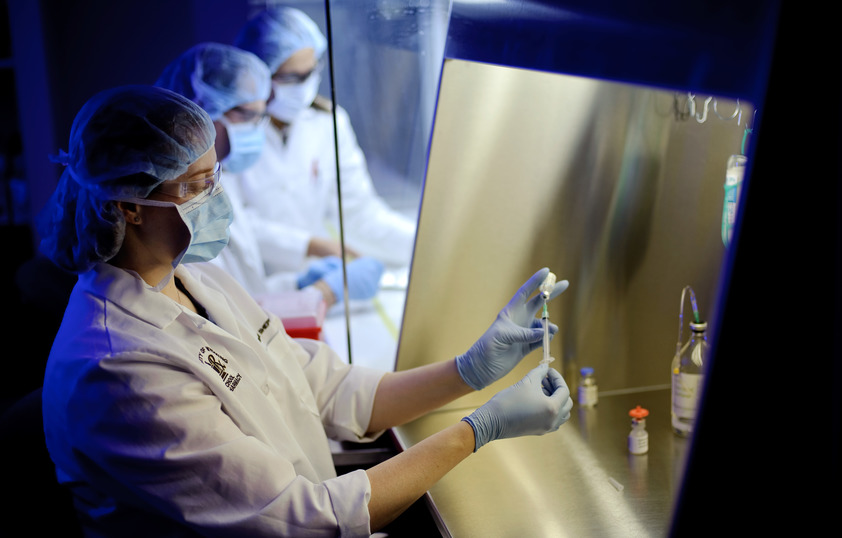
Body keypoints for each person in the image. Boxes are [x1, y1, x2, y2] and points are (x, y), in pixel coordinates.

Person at [38, 84, 572, 536]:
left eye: (215, 178)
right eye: (197, 187)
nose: (218, 200)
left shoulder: (194, 280)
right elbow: (302, 520)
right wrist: (477, 430)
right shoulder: (117, 368)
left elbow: (326, 388)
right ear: (128, 205)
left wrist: (470, 370)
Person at [156, 41, 382, 307]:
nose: (258, 130)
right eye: (250, 116)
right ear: (199, 112)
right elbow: (221, 318)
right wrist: (323, 294)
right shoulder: (175, 202)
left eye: (262, 116)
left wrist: (297, 285)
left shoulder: (216, 181)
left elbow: (244, 291)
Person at [231, 6, 416, 285]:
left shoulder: (328, 122)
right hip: (253, 282)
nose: (305, 87)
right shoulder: (232, 132)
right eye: (291, 78)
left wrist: (423, 244)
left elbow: (361, 213)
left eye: (311, 72)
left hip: (316, 279)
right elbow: (232, 224)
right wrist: (309, 244)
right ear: (257, 75)